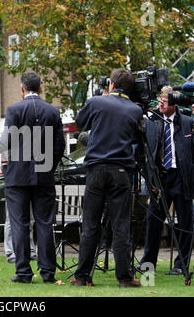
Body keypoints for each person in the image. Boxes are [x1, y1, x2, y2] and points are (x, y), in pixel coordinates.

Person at [0, 71, 65, 283]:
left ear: (21, 89)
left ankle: (24, 272)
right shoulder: (53, 112)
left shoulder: (14, 110)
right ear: (40, 88)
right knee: (45, 224)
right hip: (44, 176)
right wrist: (49, 168)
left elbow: (7, 141)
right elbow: (59, 147)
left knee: (19, 224)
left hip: (18, 177)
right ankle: (48, 272)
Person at [69, 68, 142, 288]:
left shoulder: (97, 102)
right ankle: (124, 277)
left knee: (91, 225)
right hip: (121, 171)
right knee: (121, 226)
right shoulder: (135, 109)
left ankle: (82, 276)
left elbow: (81, 121)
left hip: (96, 169)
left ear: (111, 84)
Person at [139, 86, 194, 275]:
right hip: (161, 177)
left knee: (185, 222)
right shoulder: (153, 123)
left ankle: (181, 264)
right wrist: (150, 180)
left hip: (181, 176)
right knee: (153, 220)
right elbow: (146, 153)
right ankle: (148, 263)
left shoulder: (186, 122)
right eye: (159, 100)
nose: (161, 104)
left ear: (174, 103)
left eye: (165, 101)